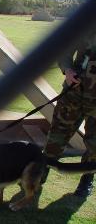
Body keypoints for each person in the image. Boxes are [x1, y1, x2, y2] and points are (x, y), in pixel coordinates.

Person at [43, 31, 96, 197]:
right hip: (73, 94)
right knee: (55, 139)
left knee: (95, 146)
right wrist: (67, 70)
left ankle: (86, 181)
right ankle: (39, 176)